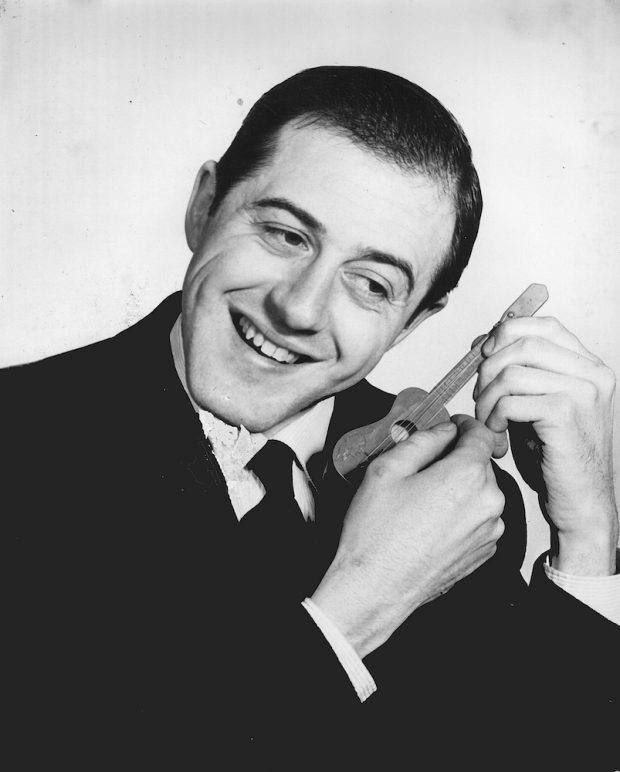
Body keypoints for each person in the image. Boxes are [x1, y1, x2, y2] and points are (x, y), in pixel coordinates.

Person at [4, 66, 619, 770]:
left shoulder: (463, 504)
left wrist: (588, 537)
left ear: (413, 322)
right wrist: (354, 611)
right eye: (285, 234)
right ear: (204, 208)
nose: (298, 309)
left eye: (371, 283)